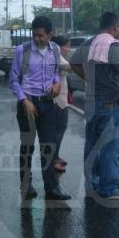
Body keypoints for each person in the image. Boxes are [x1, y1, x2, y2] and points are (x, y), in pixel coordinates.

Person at [70, 12, 119, 201]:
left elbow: (73, 62)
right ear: (116, 27)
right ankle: (109, 189)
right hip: (109, 103)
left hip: (91, 103)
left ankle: (92, 184)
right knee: (110, 147)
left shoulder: (89, 43)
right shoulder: (113, 44)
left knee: (92, 146)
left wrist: (89, 78)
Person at [9, 16, 71, 201]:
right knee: (27, 146)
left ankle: (52, 189)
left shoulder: (55, 49)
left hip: (48, 103)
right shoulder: (23, 51)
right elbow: (13, 80)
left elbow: (55, 74)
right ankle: (26, 186)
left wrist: (57, 83)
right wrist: (23, 101)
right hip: (27, 104)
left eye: (41, 36)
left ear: (50, 34)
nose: (37, 39)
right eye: (34, 35)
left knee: (49, 146)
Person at [50, 35, 73, 172]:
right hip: (57, 101)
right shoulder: (56, 57)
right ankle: (53, 160)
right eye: (67, 46)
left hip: (61, 100)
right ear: (59, 46)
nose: (69, 49)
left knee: (59, 130)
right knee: (58, 131)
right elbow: (67, 67)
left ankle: (55, 156)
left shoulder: (57, 56)